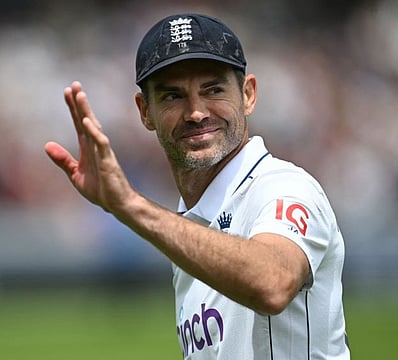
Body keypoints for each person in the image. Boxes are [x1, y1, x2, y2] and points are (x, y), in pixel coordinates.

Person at [45, 13, 351, 360]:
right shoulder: (191, 227)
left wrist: (129, 204)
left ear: (248, 94)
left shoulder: (284, 187)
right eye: (173, 96)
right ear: (145, 112)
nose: (195, 112)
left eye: (213, 90)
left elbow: (273, 283)